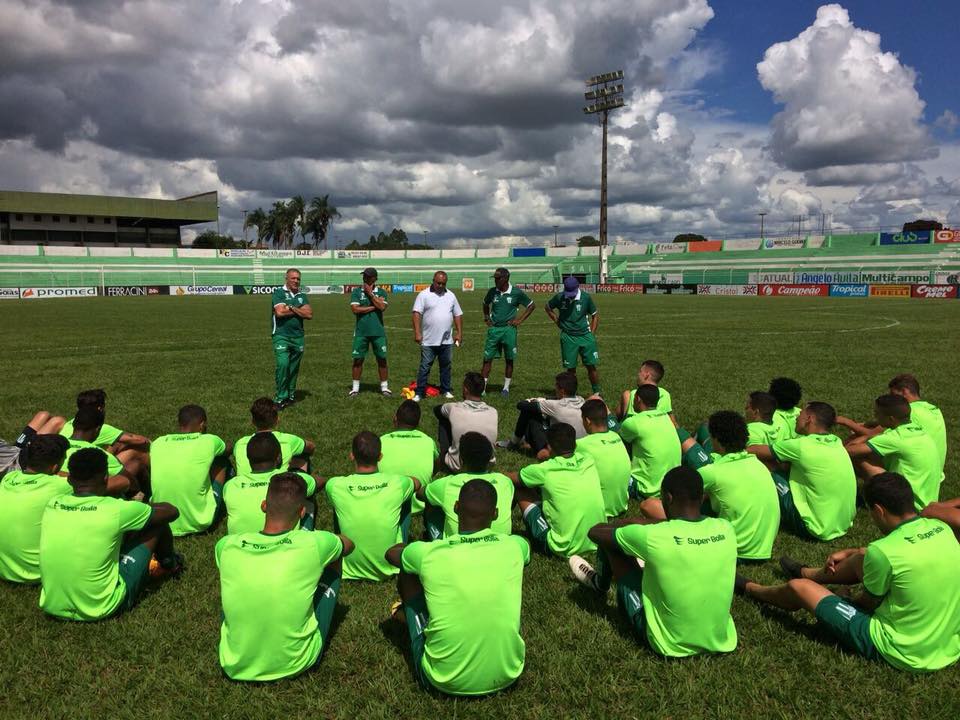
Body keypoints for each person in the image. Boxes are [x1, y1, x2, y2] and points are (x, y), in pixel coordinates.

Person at [739, 472, 960, 673]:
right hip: (947, 644)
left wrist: (846, 598)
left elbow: (868, 603)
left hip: (903, 651)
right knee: (863, 558)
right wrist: (856, 552)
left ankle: (751, 588)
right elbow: (884, 556)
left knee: (800, 589)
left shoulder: (883, 551)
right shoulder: (942, 529)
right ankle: (806, 572)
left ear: (879, 511)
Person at [569, 467, 738, 658]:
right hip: (721, 640)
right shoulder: (726, 529)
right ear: (701, 498)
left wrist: (629, 523)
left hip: (668, 643)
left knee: (613, 544)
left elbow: (595, 532)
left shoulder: (654, 536)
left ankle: (599, 583)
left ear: (668, 498)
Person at [386, 479, 531, 696]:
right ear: (496, 514)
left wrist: (410, 550)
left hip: (442, 680)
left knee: (408, 571)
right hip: (508, 675)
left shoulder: (430, 553)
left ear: (455, 508)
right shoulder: (516, 546)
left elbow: (391, 554)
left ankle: (415, 619)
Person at [216, 473, 355, 682]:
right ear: (301, 512)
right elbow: (348, 544)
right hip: (296, 662)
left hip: (233, 664)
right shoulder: (314, 543)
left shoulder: (226, 546)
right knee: (334, 556)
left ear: (264, 505)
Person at [39, 448, 182, 621]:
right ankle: (169, 565)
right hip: (102, 606)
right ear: (106, 478)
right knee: (156, 524)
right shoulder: (115, 510)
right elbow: (171, 512)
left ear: (69, 479)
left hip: (53, 606)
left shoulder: (53, 504)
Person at [748, 401, 856, 541]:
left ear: (809, 419)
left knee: (765, 464)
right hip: (843, 524)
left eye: (800, 414)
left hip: (815, 528)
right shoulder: (836, 441)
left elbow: (752, 450)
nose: (796, 418)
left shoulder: (801, 446)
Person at [320, 431, 420, 581]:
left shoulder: (335, 485)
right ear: (380, 456)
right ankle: (398, 550)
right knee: (405, 498)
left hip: (348, 571)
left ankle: (347, 553)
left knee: (339, 504)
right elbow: (417, 483)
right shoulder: (398, 483)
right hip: (389, 568)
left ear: (352, 455)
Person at [510, 423, 605, 558]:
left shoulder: (544, 470)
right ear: (575, 444)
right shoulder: (588, 460)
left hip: (562, 548)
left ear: (549, 446)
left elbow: (510, 478)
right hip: (596, 541)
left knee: (519, 487)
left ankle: (502, 528)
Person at [697, 411, 779, 561]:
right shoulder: (758, 465)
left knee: (652, 506)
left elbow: (676, 496)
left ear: (715, 439)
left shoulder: (713, 472)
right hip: (764, 550)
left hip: (736, 551)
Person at [838, 374, 947, 483]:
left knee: (857, 453)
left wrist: (846, 422)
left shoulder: (899, 433)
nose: (892, 398)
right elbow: (879, 424)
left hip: (910, 481)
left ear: (904, 392)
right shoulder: (931, 409)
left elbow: (869, 434)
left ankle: (872, 492)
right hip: (931, 471)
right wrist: (864, 424)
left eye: (893, 394)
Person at [846, 394, 940, 511]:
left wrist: (865, 436)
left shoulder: (895, 438)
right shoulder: (918, 430)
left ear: (891, 419)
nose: (875, 416)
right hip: (928, 501)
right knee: (873, 453)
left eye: (877, 414)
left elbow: (848, 451)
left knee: (857, 457)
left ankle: (859, 498)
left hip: (910, 504)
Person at [0, 434, 71, 583]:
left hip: (3, 569)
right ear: (55, 467)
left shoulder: (8, 479)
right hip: (35, 573)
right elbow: (111, 483)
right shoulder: (59, 486)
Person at [150, 405, 229, 536]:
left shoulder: (158, 442)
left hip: (162, 520)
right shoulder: (209, 440)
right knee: (222, 461)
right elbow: (228, 449)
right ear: (202, 424)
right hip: (199, 522)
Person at [421, 432, 514, 539]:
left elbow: (421, 494)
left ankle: (437, 539)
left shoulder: (448, 483)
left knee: (432, 502)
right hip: (501, 547)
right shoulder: (505, 482)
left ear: (461, 460)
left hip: (455, 549)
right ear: (490, 460)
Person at [223, 433, 317, 536]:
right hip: (285, 546)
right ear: (278, 458)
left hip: (241, 546)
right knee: (304, 491)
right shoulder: (290, 482)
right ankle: (305, 534)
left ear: (248, 459)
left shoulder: (230, 486)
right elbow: (319, 482)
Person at [617, 384, 681, 519]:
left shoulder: (634, 422)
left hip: (647, 489)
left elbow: (618, 442)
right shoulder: (666, 418)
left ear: (638, 399)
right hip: (671, 486)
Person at [498, 372, 585, 458]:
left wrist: (536, 400)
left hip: (560, 447)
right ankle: (522, 442)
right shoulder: (582, 401)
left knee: (528, 412)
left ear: (562, 391)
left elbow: (521, 405)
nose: (555, 390)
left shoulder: (556, 405)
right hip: (578, 445)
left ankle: (514, 443)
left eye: (556, 388)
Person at [61, 406, 143, 496]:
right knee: (135, 465)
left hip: (60, 493)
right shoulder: (99, 455)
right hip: (88, 498)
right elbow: (132, 484)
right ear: (98, 429)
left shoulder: (57, 446)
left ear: (73, 424)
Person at [480, 268, 535, 396]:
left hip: (509, 330)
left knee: (509, 359)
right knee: (487, 359)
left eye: (498, 278)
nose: (495, 280)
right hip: (494, 330)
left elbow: (531, 305)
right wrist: (486, 317)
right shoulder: (492, 292)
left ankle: (506, 388)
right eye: (495, 278)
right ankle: (482, 388)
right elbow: (485, 304)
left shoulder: (516, 292)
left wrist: (519, 320)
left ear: (506, 278)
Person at [379, 400, 439, 515]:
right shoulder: (428, 441)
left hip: (389, 503)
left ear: (395, 419)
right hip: (421, 504)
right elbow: (437, 464)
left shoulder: (381, 441)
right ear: (418, 423)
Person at [412, 271, 463, 401]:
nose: (440, 285)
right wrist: (417, 332)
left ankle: (445, 389)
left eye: (443, 283)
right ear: (433, 280)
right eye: (438, 283)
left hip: (446, 340)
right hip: (428, 340)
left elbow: (457, 314)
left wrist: (459, 332)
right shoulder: (424, 295)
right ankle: (419, 392)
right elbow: (416, 313)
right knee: (424, 367)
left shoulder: (451, 295)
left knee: (446, 366)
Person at [545, 276, 601, 395]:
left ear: (578, 287)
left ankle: (597, 393)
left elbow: (595, 315)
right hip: (568, 337)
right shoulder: (560, 297)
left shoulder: (585, 298)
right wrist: (556, 320)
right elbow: (548, 307)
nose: (570, 295)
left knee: (591, 366)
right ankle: (572, 395)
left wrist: (592, 334)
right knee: (571, 369)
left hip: (585, 336)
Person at [232, 396, 314, 476]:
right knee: (303, 454)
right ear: (277, 420)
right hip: (279, 487)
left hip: (242, 486)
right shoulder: (287, 440)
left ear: (253, 421)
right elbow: (311, 447)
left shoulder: (240, 443)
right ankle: (306, 484)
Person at [576, 398, 630, 518]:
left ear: (587, 421)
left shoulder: (581, 444)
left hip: (600, 511)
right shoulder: (616, 437)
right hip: (621, 505)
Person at [434, 372, 498, 472]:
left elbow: (437, 410)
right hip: (486, 466)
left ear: (465, 389)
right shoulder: (493, 411)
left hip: (458, 467)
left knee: (443, 418)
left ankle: (445, 455)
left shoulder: (454, 408)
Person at [271, 268, 312, 408]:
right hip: (281, 335)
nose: (296, 281)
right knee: (283, 365)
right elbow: (280, 313)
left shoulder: (302, 295)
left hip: (298, 336)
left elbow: (309, 315)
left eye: (298, 279)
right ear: (286, 279)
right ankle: (280, 397)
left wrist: (292, 308)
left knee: (294, 368)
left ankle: (291, 395)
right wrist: (298, 310)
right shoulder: (278, 293)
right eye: (293, 278)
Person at [59, 389, 150, 452]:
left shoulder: (70, 423)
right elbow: (140, 441)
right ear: (100, 409)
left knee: (112, 443)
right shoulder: (100, 429)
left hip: (67, 465)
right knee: (128, 447)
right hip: (87, 468)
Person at [349, 267, 391, 397]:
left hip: (378, 332)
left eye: (368, 276)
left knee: (382, 360)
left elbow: (382, 307)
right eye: (364, 276)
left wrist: (371, 294)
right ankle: (355, 389)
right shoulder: (356, 292)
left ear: (375, 278)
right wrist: (374, 306)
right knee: (357, 360)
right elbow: (355, 310)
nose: (365, 278)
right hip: (361, 332)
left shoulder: (382, 292)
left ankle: (384, 388)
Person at [1, 410, 66, 476]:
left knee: (43, 414)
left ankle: (54, 449)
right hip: (19, 464)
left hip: (15, 450)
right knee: (57, 422)